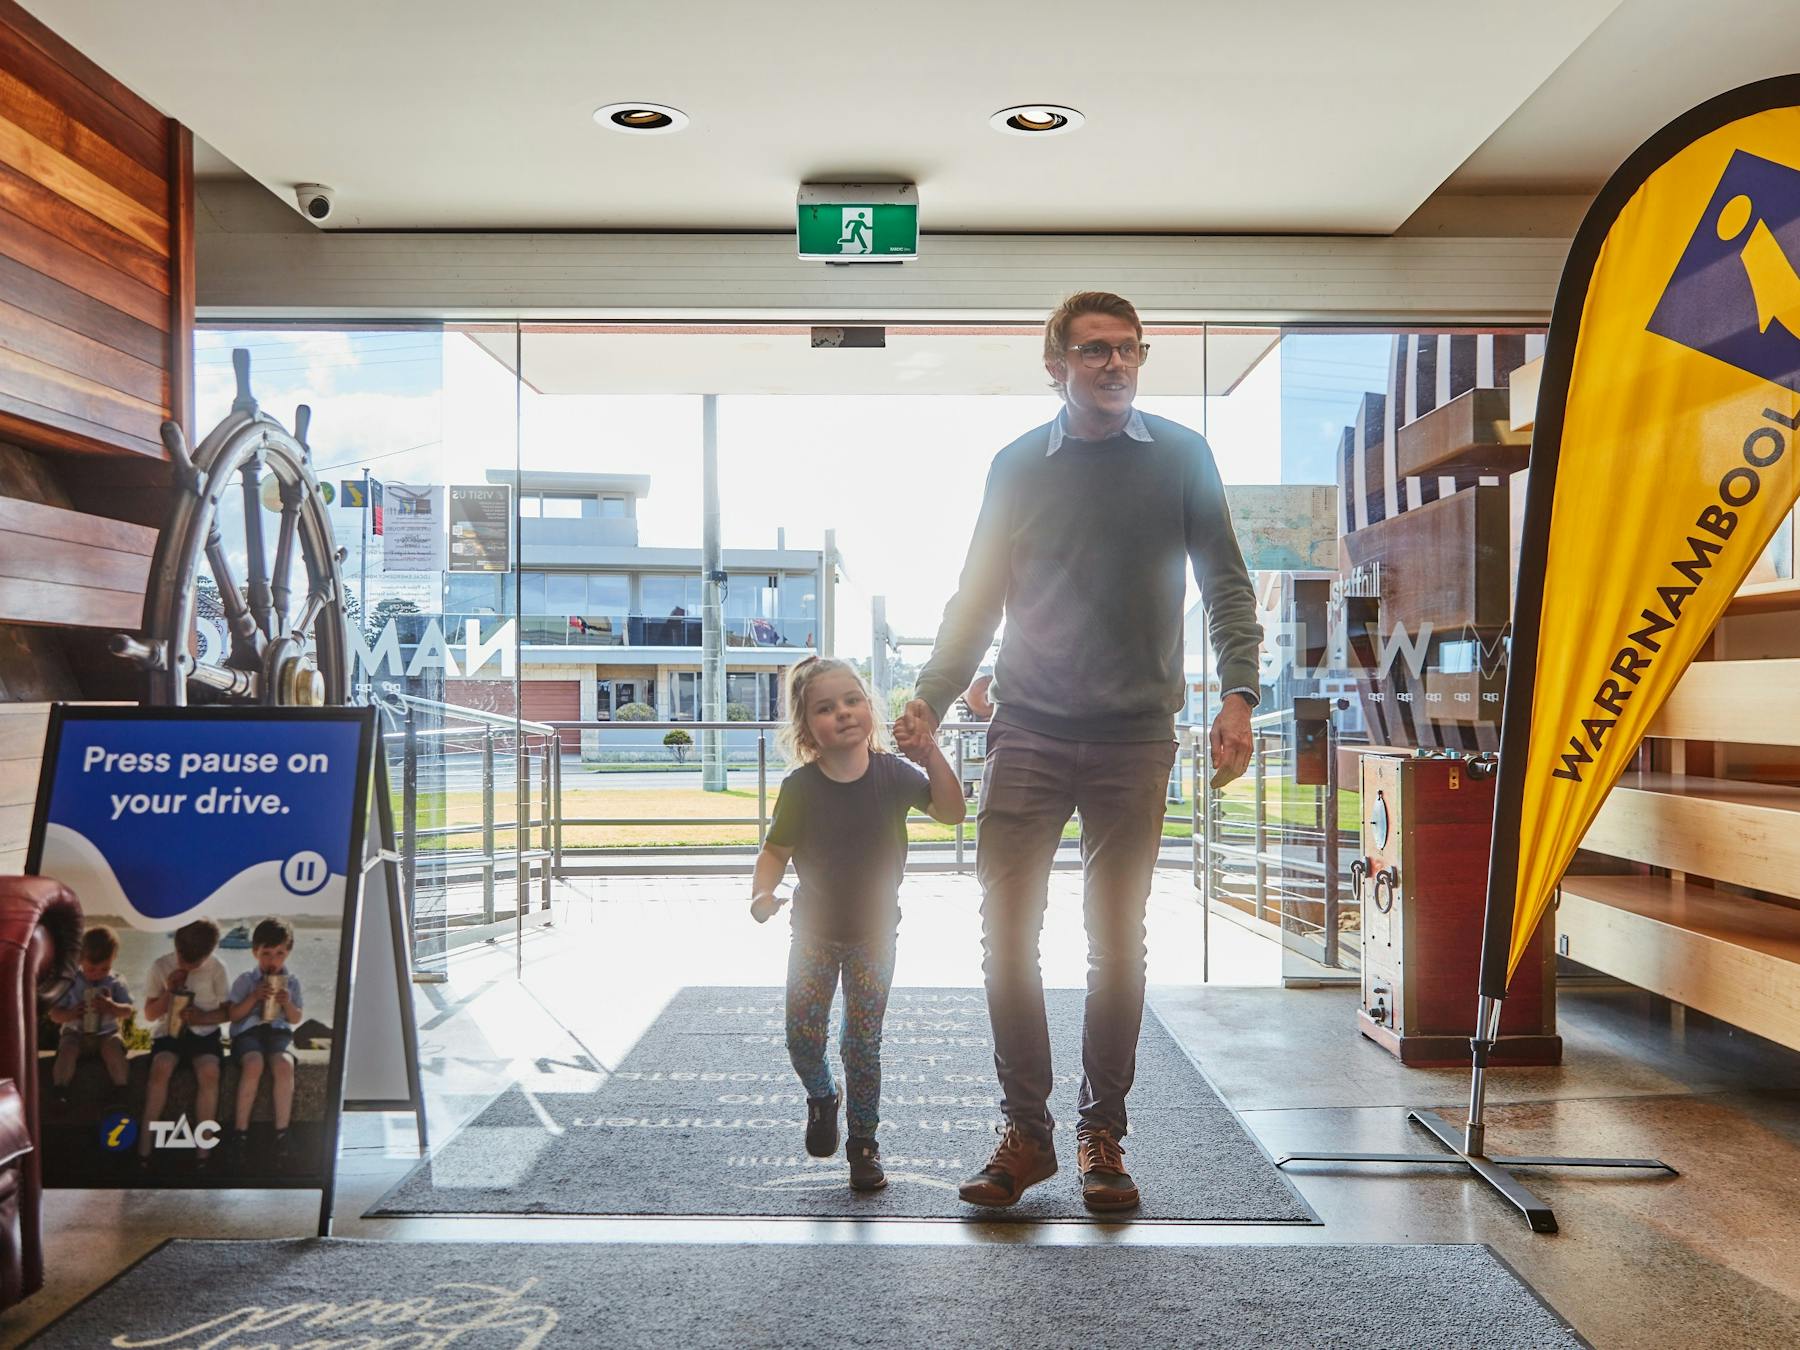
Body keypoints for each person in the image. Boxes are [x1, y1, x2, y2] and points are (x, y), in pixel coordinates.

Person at [896, 291, 1261, 1212]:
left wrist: (1242, 698)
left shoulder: (1183, 456)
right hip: (1028, 729)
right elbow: (976, 598)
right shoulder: (1017, 467)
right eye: (1094, 351)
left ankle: (1104, 1135)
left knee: (1117, 944)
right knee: (1006, 937)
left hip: (1136, 739)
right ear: (1055, 364)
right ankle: (1027, 1131)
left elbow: (1226, 581)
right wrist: (932, 700)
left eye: (1128, 350)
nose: (1115, 365)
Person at [750, 657, 965, 1191]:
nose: (843, 713)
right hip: (814, 934)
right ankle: (823, 1096)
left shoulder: (893, 776)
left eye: (852, 700)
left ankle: (863, 1144)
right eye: (826, 708)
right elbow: (774, 852)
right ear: (806, 727)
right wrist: (762, 891)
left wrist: (930, 751)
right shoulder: (801, 788)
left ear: (869, 708)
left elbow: (953, 811)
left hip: (874, 936)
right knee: (802, 1038)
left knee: (861, 1044)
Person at [139, 917, 231, 1168]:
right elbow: (149, 1014)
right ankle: (144, 1148)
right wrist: (169, 991)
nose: (189, 967)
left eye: (196, 963)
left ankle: (204, 1150)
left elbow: (227, 1012)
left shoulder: (216, 968)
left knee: (210, 1072)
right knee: (161, 1067)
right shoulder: (161, 966)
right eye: (184, 959)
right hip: (169, 1033)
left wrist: (203, 1017)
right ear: (176, 946)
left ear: (209, 953)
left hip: (205, 1034)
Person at [224, 917, 306, 1170]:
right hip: (248, 1033)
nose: (273, 960)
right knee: (253, 1064)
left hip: (277, 1033)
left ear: (288, 952)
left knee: (283, 1065)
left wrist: (286, 1002)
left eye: (279, 953)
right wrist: (253, 997)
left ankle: (282, 1133)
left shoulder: (291, 983)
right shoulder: (245, 980)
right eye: (266, 954)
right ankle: (240, 1133)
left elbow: (295, 1019)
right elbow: (233, 1015)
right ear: (255, 952)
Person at [49, 925, 132, 1105]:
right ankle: (60, 1089)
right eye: (91, 969)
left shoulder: (115, 980)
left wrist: (112, 1007)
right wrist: (71, 1013)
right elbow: (55, 1014)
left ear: (113, 960)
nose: (97, 975)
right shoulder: (71, 980)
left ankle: (122, 1089)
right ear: (80, 959)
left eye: (104, 969)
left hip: (106, 1033)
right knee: (67, 1050)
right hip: (76, 1033)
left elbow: (128, 1011)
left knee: (114, 1048)